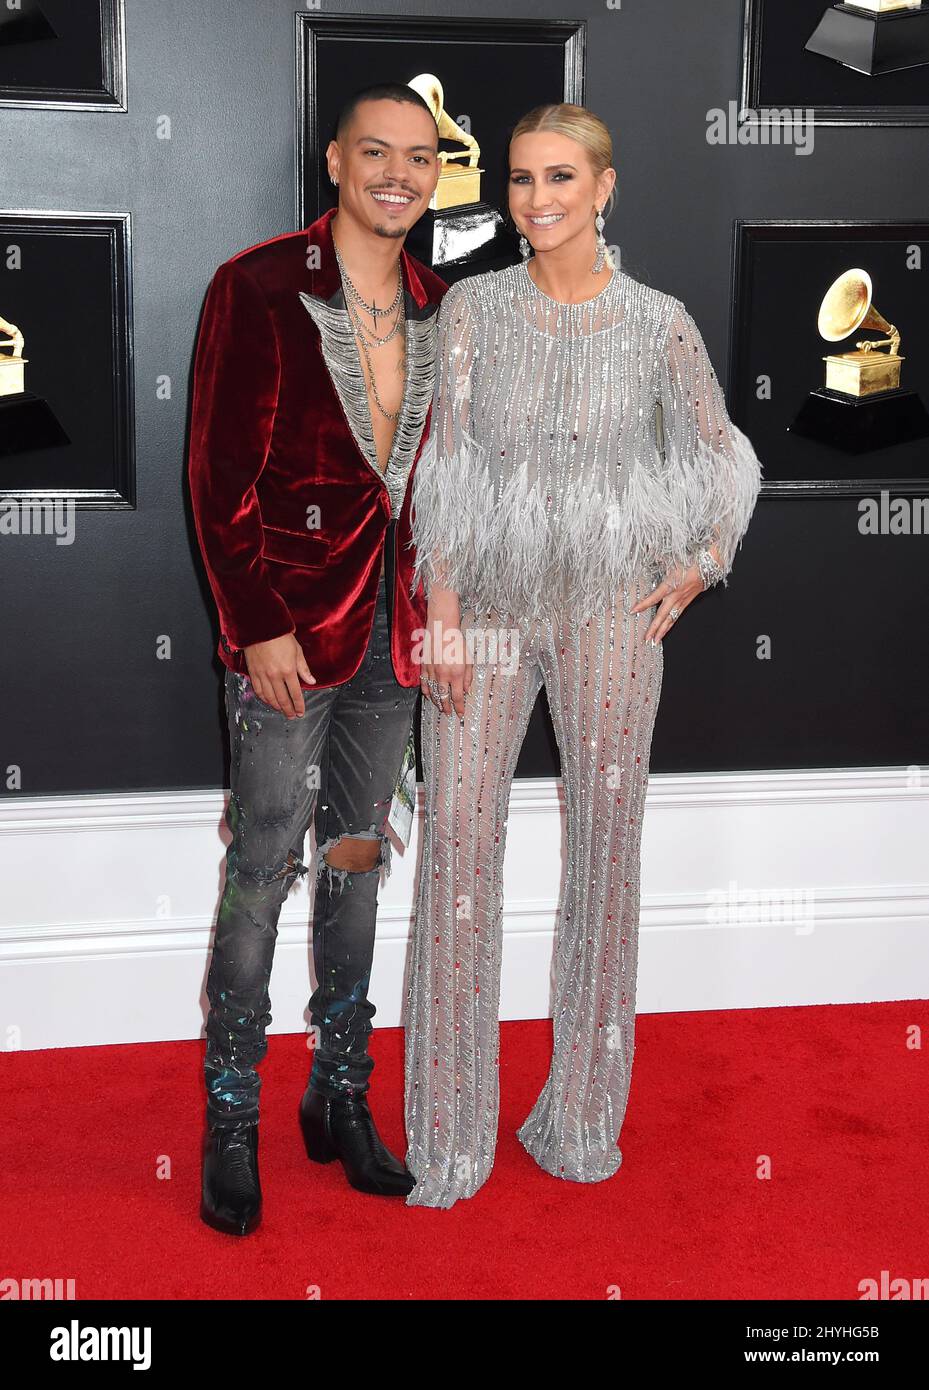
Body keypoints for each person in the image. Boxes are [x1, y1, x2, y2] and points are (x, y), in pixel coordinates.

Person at [403, 104, 763, 1208]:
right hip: (490, 606)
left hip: (614, 610)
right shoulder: (471, 310)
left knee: (604, 860)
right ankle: (450, 1136)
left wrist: (700, 559)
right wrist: (445, 613)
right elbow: (448, 471)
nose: (535, 198)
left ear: (603, 186)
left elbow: (725, 449)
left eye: (559, 176)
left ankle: (576, 1118)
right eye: (518, 178)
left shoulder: (659, 323)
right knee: (457, 854)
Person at [188, 83, 447, 1235]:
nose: (398, 173)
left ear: (436, 175)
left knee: (354, 861)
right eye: (377, 152)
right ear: (336, 161)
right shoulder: (255, 286)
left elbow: (437, 489)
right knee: (259, 874)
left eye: (420, 158)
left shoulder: (444, 305)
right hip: (288, 639)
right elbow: (213, 474)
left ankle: (338, 1093)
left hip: (391, 639)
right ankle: (230, 1116)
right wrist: (256, 622)